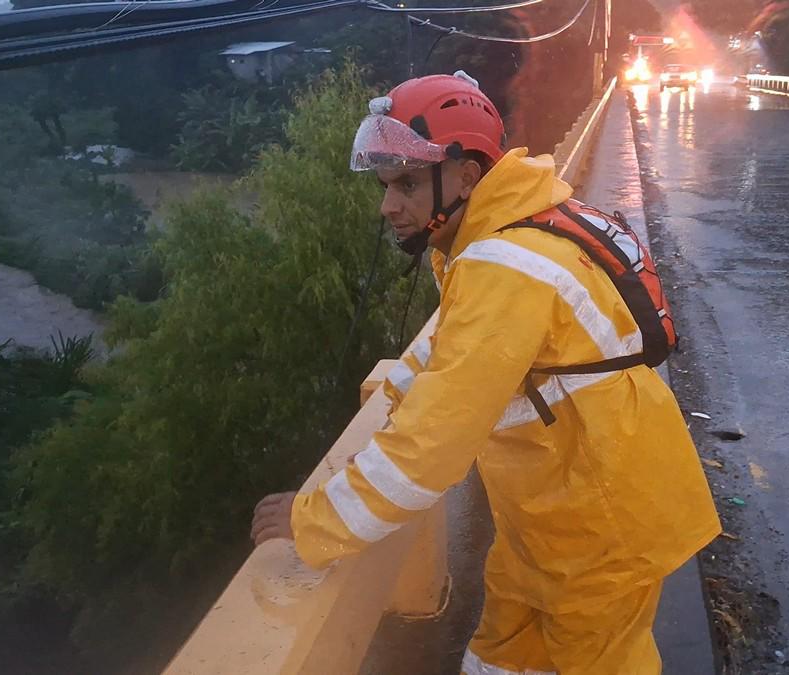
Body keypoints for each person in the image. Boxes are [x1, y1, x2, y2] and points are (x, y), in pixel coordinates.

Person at [250, 70, 721, 675]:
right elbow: (444, 353)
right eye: (386, 184)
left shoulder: (507, 267)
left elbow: (430, 450)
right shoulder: (503, 238)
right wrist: (389, 406)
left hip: (599, 531)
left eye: (407, 184)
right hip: (547, 519)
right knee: (500, 654)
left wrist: (314, 518)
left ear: (466, 176)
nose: (388, 204)